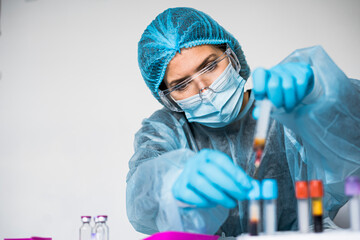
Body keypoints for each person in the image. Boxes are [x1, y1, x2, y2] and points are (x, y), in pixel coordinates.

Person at [126, 7, 360, 237]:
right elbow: (141, 196)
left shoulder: (285, 104)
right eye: (181, 85)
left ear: (231, 56)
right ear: (167, 98)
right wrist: (170, 183)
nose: (204, 90)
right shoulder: (165, 131)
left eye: (209, 66)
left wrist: (323, 100)